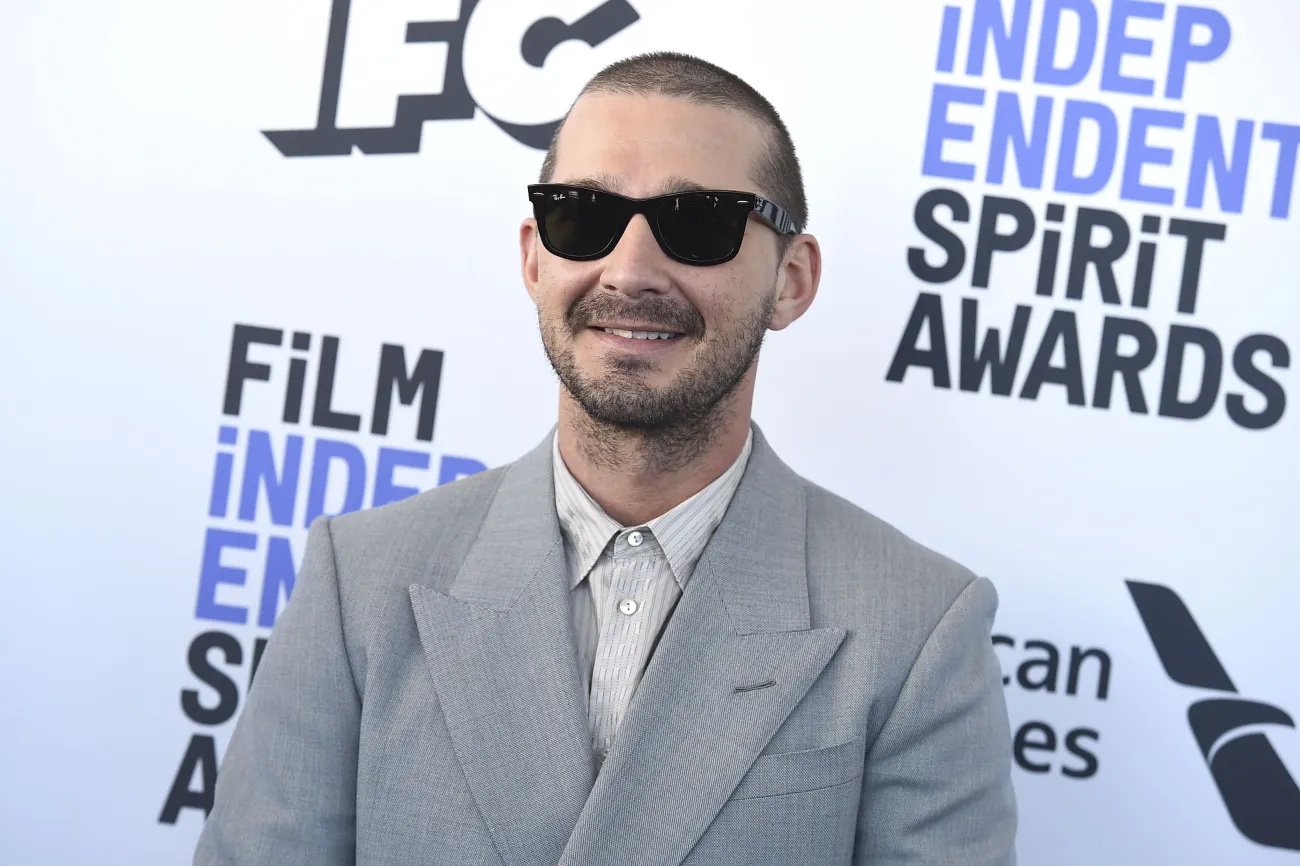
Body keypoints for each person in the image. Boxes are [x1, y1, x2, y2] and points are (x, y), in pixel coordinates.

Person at [194, 51, 1017, 866]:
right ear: (534, 257)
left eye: (698, 223)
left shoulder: (918, 630)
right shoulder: (361, 581)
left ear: (792, 282)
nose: (628, 270)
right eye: (582, 215)